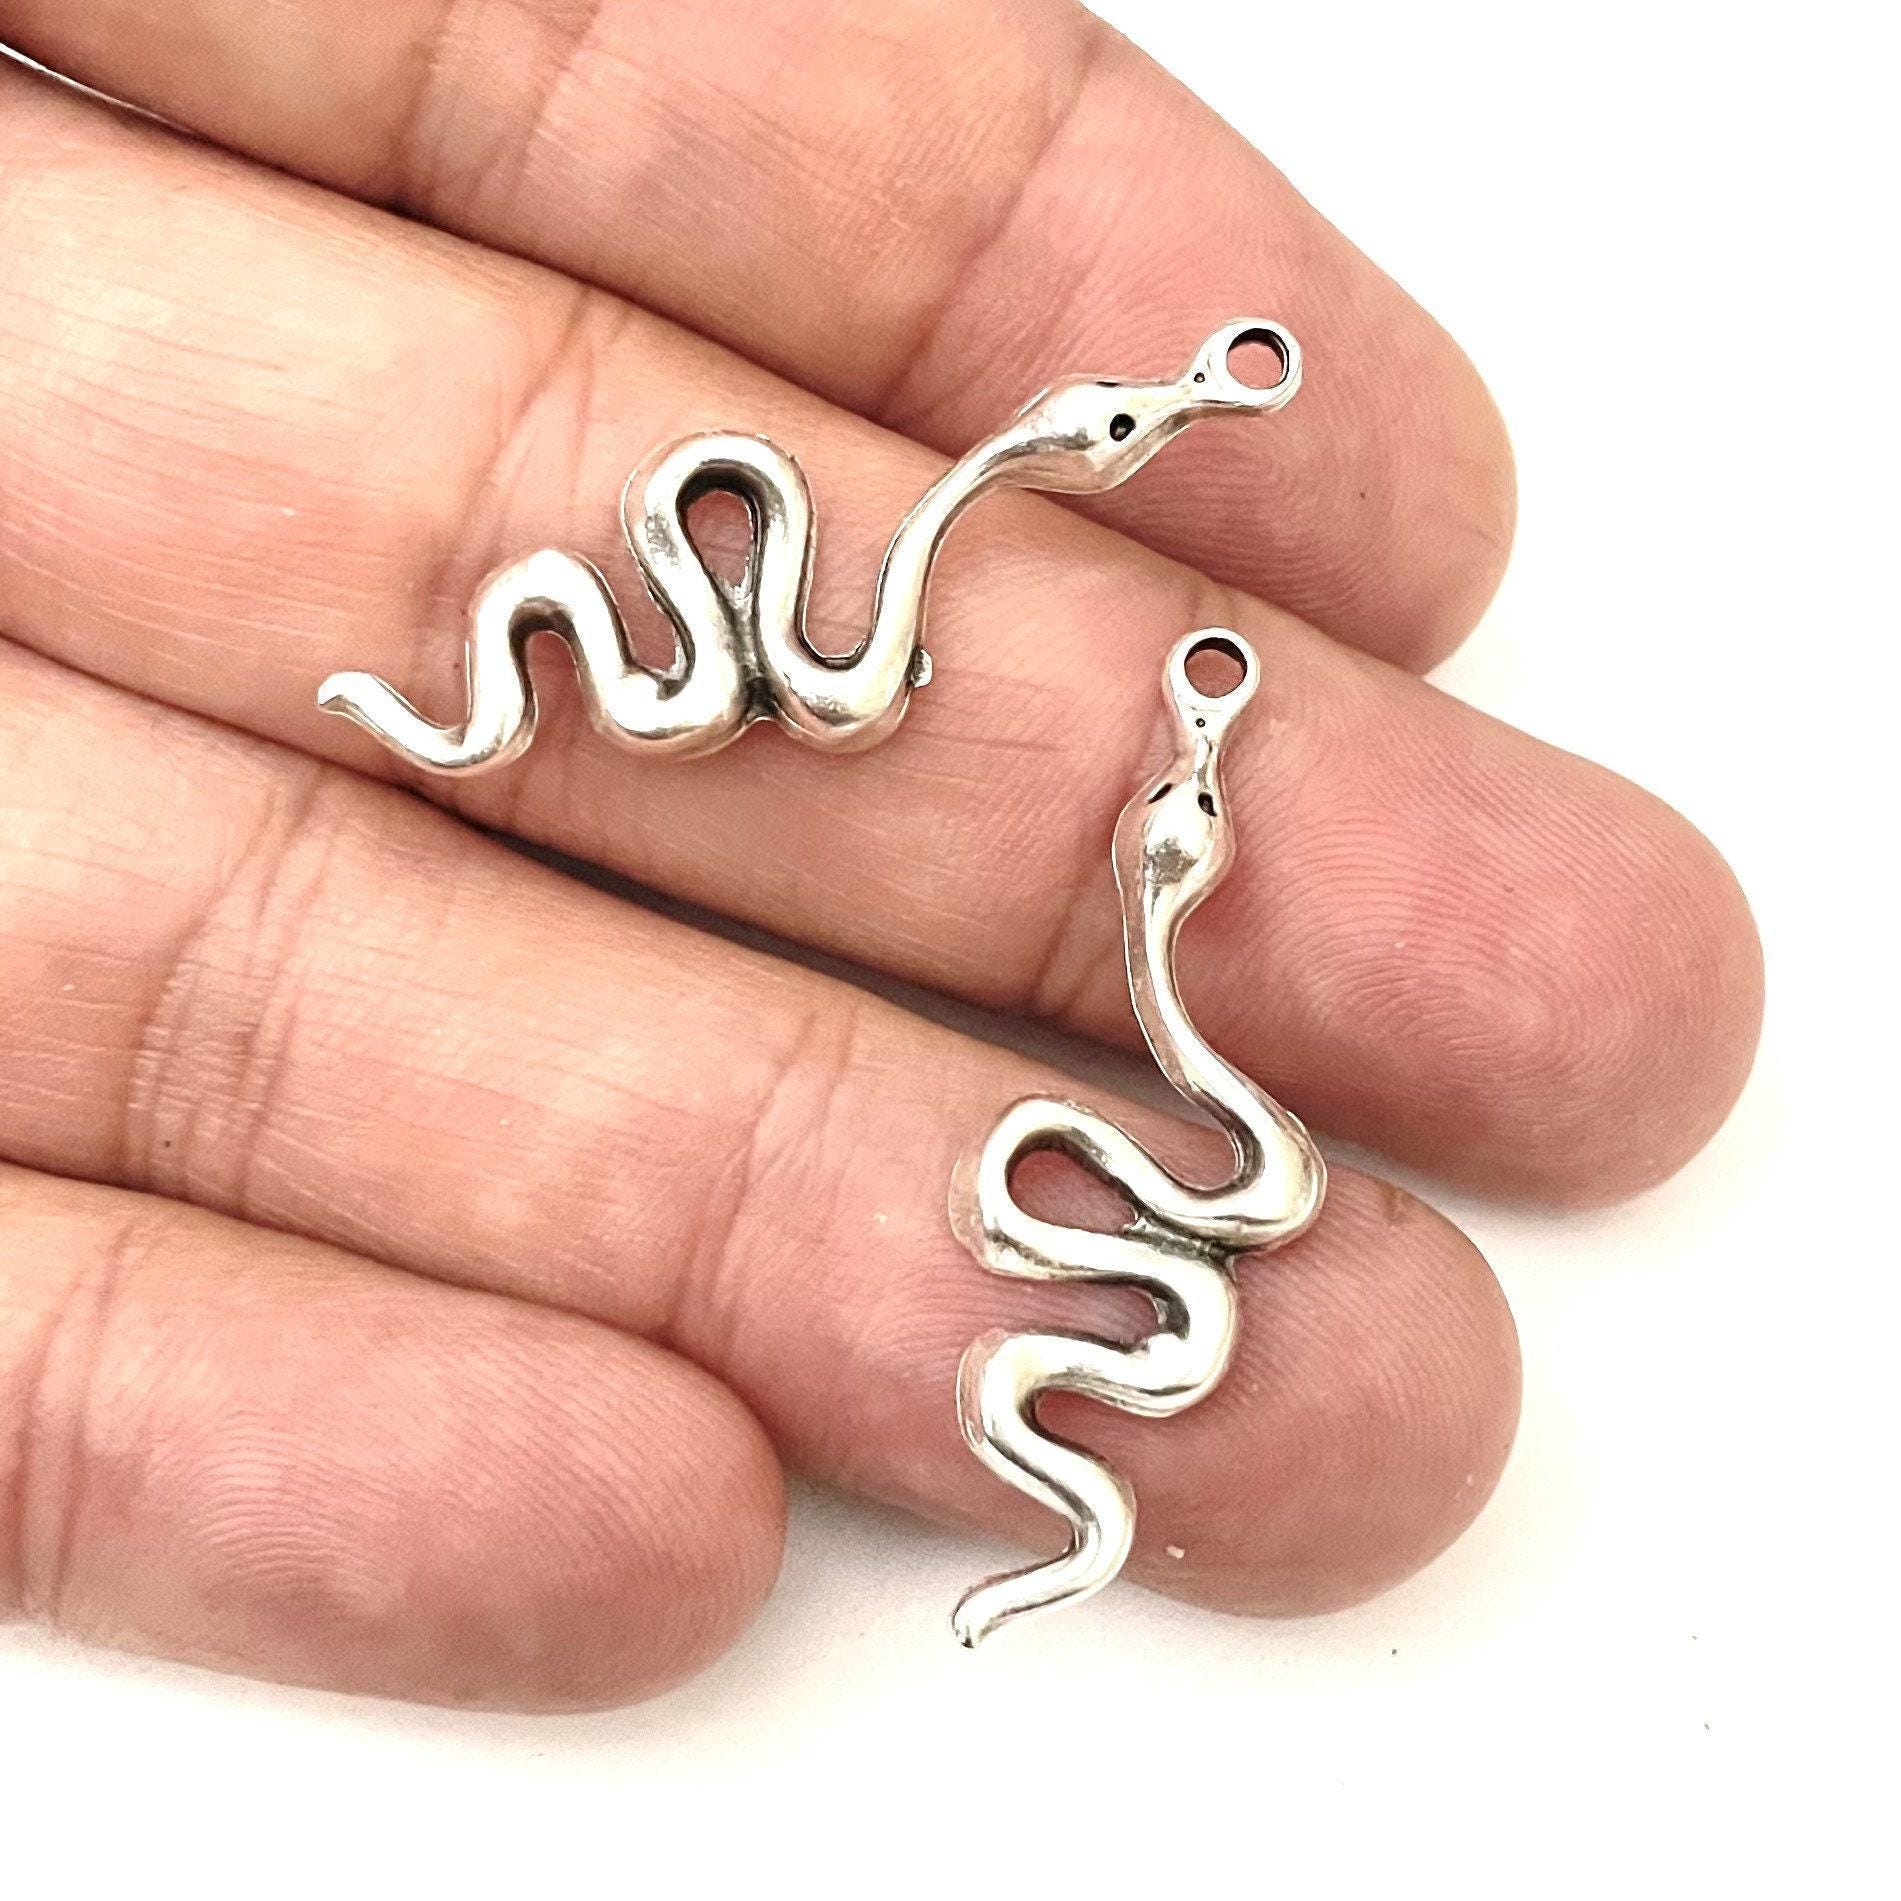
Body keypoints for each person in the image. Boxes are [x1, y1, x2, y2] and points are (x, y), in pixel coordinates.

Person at [0, 1, 1760, 1711]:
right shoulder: (855, 571)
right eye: (1126, 430)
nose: (1136, 432)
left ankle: (1065, 1488)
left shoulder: (1114, 1018)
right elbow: (888, 621)